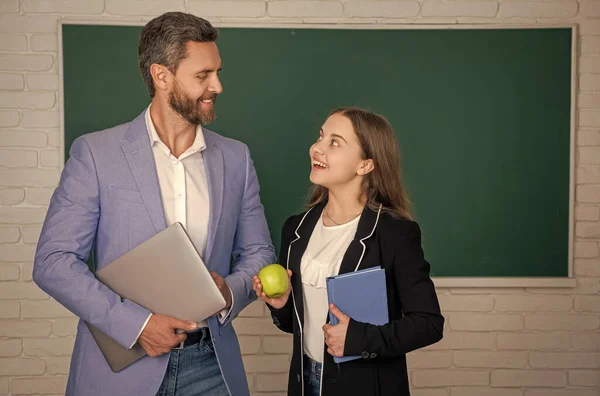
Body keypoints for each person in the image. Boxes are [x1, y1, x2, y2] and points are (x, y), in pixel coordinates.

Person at [33, 12, 274, 396]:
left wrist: (229, 291)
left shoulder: (236, 159)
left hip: (212, 365)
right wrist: (138, 325)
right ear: (162, 76)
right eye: (203, 75)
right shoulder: (96, 153)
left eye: (218, 72)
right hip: (121, 369)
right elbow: (53, 261)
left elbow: (258, 252)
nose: (218, 85)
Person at [253, 107, 444, 395]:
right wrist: (281, 305)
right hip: (305, 381)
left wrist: (358, 339)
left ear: (365, 165)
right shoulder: (296, 229)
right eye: (320, 137)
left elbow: (429, 323)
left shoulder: (394, 233)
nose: (316, 148)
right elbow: (298, 326)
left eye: (334, 142)